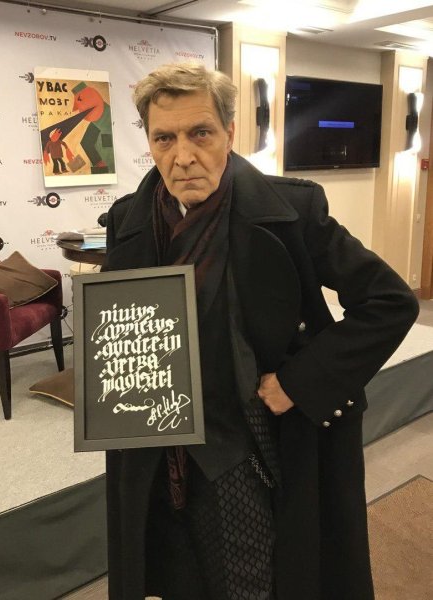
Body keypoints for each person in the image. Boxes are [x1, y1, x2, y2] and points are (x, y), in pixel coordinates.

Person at [102, 63, 418, 600]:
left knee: (257, 577)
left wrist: (301, 381)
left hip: (250, 442)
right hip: (159, 443)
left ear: (230, 132)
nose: (183, 156)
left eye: (201, 133)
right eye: (165, 138)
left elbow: (390, 301)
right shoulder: (127, 220)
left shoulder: (293, 209)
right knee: (178, 571)